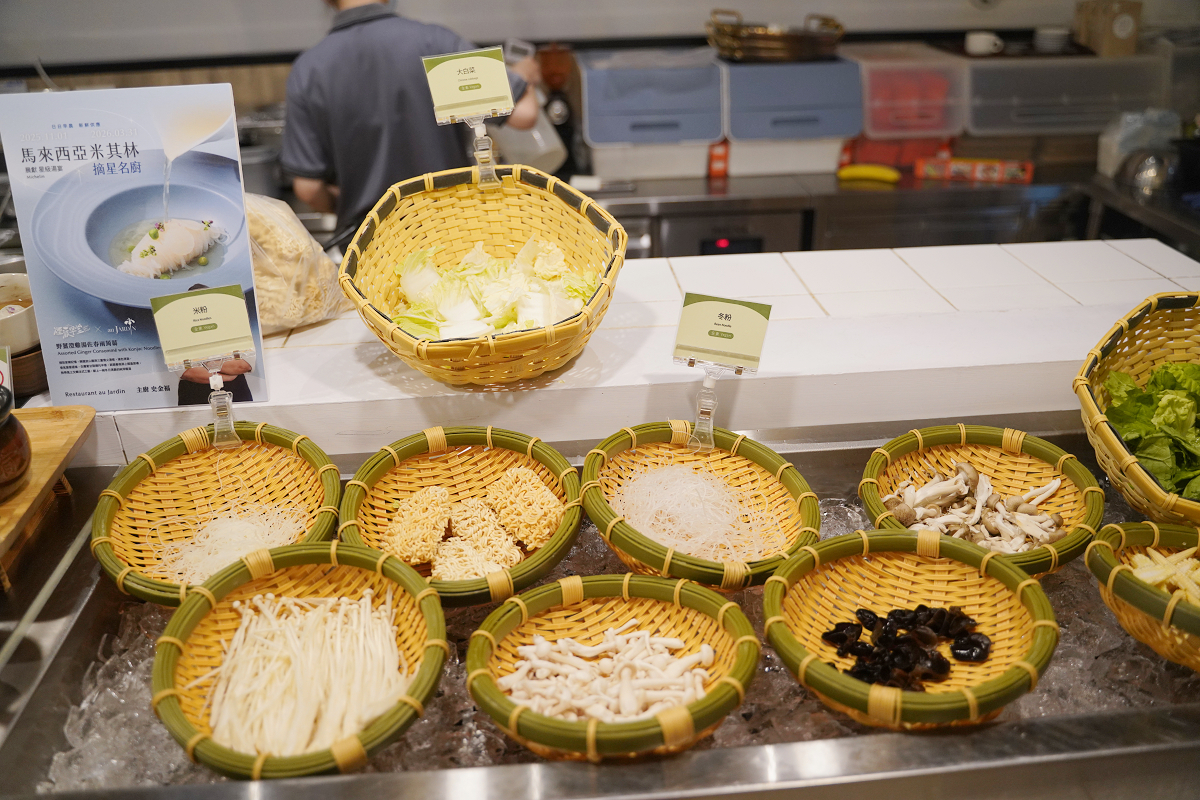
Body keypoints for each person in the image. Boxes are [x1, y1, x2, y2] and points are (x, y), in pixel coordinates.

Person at [282, 0, 540, 235]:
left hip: (371, 248)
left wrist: (347, 204)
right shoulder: (437, 44)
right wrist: (522, 76)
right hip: (449, 231)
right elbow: (524, 115)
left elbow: (308, 188)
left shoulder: (308, 69)